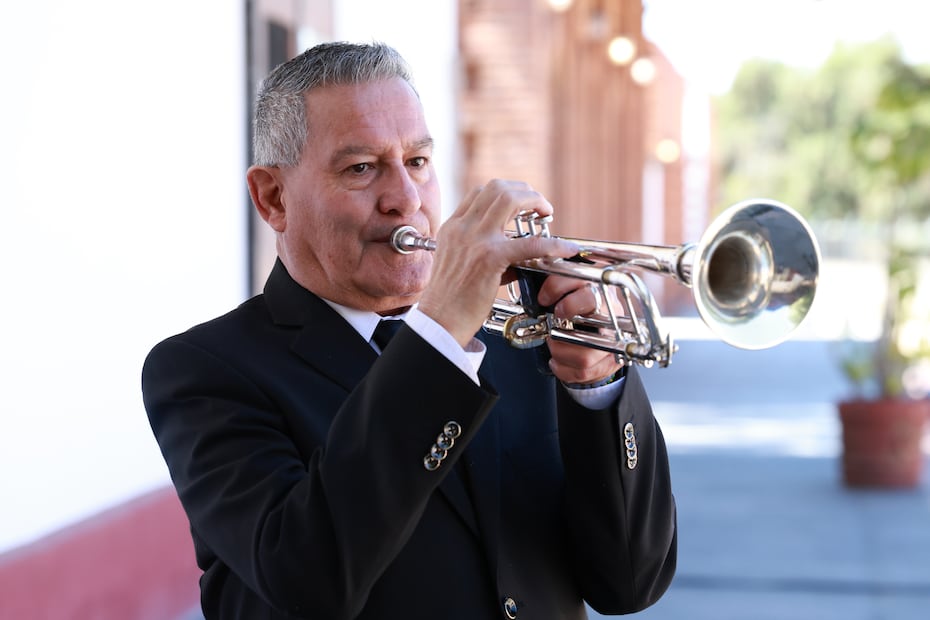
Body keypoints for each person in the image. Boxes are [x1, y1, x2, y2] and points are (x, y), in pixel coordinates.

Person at [142, 41, 676, 620]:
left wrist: (594, 387)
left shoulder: (519, 341)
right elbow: (309, 577)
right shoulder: (204, 370)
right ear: (274, 198)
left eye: (417, 162)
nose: (406, 200)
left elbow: (630, 582)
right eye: (361, 168)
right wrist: (441, 329)